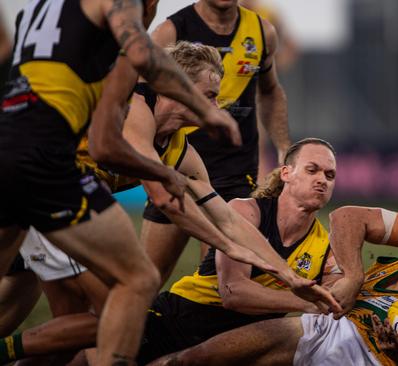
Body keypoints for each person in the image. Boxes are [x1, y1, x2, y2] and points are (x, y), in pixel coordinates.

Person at [0, 0, 245, 364]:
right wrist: (206, 111)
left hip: (8, 144)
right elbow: (143, 51)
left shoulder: (42, 10)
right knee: (136, 281)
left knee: (47, 308)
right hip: (46, 160)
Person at [2, 138, 341, 365]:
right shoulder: (247, 211)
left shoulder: (326, 244)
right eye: (312, 170)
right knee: (81, 350)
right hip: (177, 320)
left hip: (236, 344)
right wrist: (311, 302)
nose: (322, 180)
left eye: (330, 174)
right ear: (286, 173)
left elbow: (341, 292)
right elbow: (233, 293)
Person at [148, 202, 398, 366]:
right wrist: (353, 276)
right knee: (198, 359)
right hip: (328, 324)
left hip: (371, 361)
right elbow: (348, 218)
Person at [148, 0, 291, 265]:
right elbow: (141, 93)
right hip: (178, 166)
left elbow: (270, 91)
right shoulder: (170, 31)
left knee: (218, 284)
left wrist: (283, 145)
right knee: (144, 278)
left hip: (236, 172)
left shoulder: (262, 31)